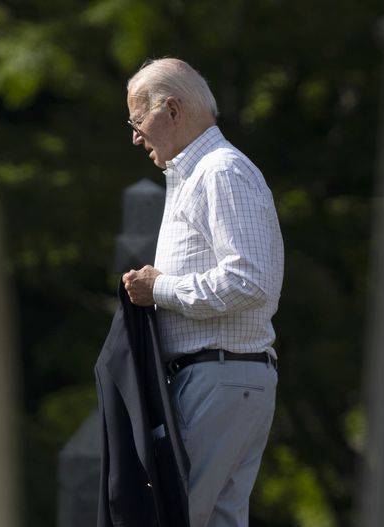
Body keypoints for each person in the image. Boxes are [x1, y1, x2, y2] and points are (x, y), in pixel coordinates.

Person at [121, 57, 284, 527]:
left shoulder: (220, 172)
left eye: (137, 120)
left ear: (171, 110)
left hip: (219, 378)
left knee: (172, 517)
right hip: (226, 380)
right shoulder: (204, 173)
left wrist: (160, 288)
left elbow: (248, 282)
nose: (135, 136)